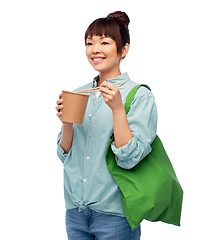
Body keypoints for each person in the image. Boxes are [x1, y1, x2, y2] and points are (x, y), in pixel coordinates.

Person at [56, 11, 158, 240]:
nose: (95, 49)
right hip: (75, 213)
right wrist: (67, 124)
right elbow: (66, 156)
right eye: (89, 43)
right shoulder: (80, 92)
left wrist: (118, 109)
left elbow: (130, 157)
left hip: (115, 216)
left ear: (123, 50)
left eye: (104, 42)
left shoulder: (139, 95)